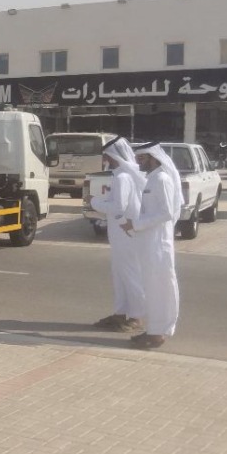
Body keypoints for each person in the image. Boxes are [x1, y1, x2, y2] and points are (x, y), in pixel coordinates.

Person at [122, 142, 183, 349]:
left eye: (141, 159)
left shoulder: (162, 179)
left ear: (153, 158)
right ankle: (153, 330)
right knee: (151, 288)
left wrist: (137, 224)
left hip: (158, 244)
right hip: (149, 243)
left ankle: (158, 334)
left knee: (159, 289)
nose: (138, 163)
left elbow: (167, 212)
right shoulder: (152, 179)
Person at [88, 136, 145, 333]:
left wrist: (95, 202)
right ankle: (120, 313)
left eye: (106, 154)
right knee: (119, 274)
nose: (105, 158)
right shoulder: (121, 175)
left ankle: (136, 316)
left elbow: (119, 207)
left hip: (125, 234)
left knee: (130, 274)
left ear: (113, 155)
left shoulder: (123, 177)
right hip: (120, 234)